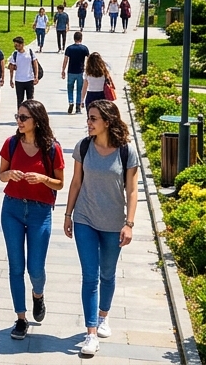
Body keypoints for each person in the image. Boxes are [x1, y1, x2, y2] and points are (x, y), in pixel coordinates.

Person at [65, 99, 140, 356]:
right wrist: (67, 214)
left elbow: (132, 191)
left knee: (107, 274)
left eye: (94, 118)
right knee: (90, 275)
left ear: (107, 121)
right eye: (88, 118)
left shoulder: (126, 151)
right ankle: (91, 332)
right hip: (84, 218)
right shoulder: (84, 147)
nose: (89, 122)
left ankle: (103, 315)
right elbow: (76, 183)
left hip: (113, 223)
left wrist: (129, 224)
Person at [0, 100, 65, 339]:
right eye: (18, 116)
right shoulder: (11, 143)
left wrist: (43, 179)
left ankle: (38, 294)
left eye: (24, 117)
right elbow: (1, 175)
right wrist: (10, 174)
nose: (19, 120)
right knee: (16, 267)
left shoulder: (52, 148)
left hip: (40, 211)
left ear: (36, 120)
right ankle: (20, 318)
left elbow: (60, 183)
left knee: (35, 267)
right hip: (12, 209)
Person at [62, 31, 91, 114]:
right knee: (79, 89)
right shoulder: (84, 48)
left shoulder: (69, 48)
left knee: (70, 88)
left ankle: (71, 102)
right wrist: (88, 69)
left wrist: (63, 70)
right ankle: (78, 105)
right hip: (80, 72)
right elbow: (89, 59)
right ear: (81, 39)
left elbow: (66, 60)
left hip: (71, 71)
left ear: (74, 38)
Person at [7, 36, 39, 106]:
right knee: (19, 100)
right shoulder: (15, 54)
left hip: (29, 79)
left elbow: (35, 64)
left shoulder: (30, 52)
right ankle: (20, 115)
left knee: (30, 101)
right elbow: (11, 67)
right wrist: (11, 79)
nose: (16, 47)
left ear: (22, 44)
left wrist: (36, 76)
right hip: (19, 80)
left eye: (17, 45)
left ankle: (30, 115)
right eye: (15, 45)